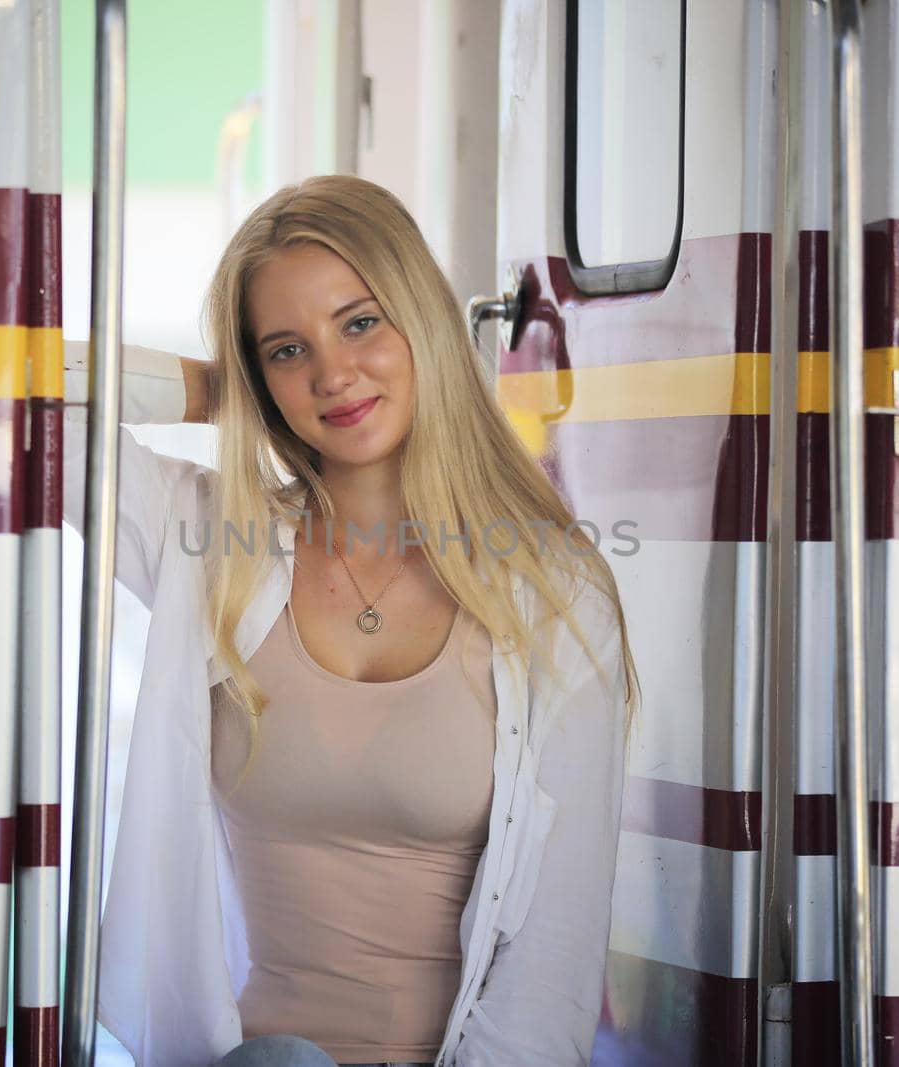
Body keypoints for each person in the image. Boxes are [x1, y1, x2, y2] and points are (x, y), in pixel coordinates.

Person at [62, 175, 640, 1067]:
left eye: (360, 323)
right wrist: (227, 392)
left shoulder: (554, 592)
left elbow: (553, 964)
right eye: (287, 350)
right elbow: (27, 393)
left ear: (425, 322)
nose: (333, 374)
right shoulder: (220, 546)